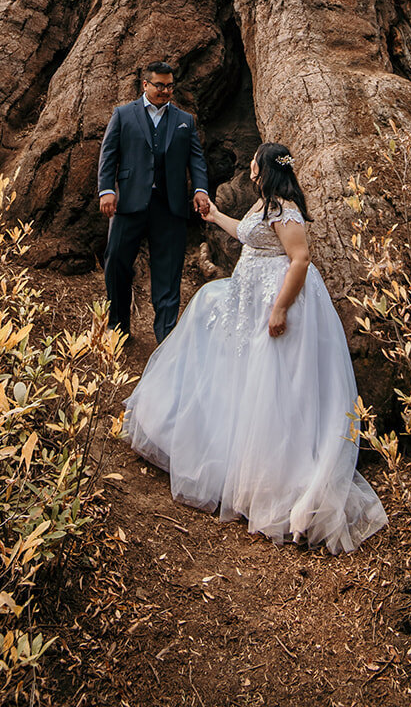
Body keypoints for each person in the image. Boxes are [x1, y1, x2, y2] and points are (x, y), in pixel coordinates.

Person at [121, 142, 387, 553]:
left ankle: (273, 484)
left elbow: (299, 259)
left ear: (264, 168)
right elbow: (248, 235)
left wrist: (280, 308)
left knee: (273, 387)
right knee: (211, 325)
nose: (249, 168)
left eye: (254, 163)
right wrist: (213, 215)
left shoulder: (285, 209)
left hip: (275, 306)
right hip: (246, 301)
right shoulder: (264, 205)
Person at [98, 61, 210, 343]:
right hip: (128, 204)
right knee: (117, 264)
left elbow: (196, 159)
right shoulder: (123, 115)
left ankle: (166, 335)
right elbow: (108, 154)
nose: (165, 91)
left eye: (170, 85)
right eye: (159, 85)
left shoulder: (185, 120)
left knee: (169, 270)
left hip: (170, 206)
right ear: (145, 85)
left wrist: (200, 189)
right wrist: (106, 191)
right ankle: (118, 327)